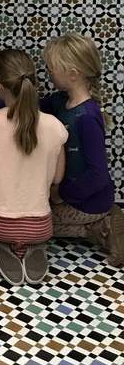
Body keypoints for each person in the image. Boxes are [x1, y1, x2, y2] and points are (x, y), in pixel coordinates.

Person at [0, 50, 67, 285]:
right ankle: (30, 245)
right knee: (30, 229)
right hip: (41, 226)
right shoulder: (55, 125)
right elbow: (58, 177)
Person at [41, 33, 123, 266]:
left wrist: (60, 195)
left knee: (34, 224)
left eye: (52, 68)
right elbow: (23, 106)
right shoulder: (59, 101)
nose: (48, 72)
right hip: (75, 196)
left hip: (88, 201)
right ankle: (100, 222)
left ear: (72, 74)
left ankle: (101, 227)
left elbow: (98, 175)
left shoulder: (87, 117)